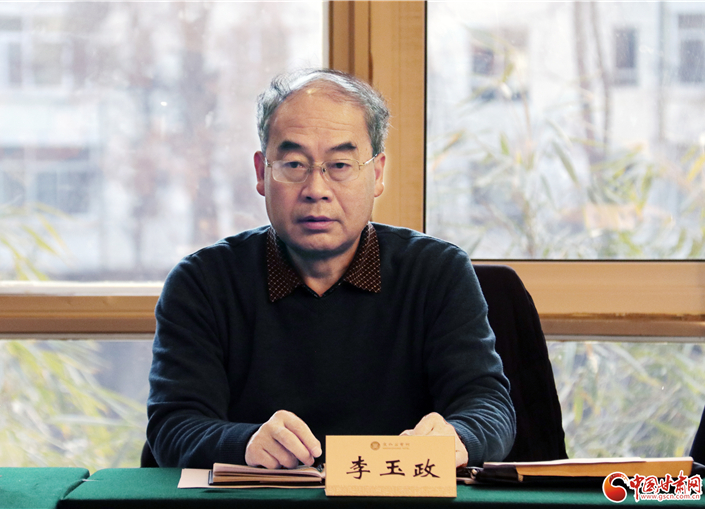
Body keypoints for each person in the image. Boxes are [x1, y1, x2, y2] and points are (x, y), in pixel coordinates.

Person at [147, 69, 516, 470]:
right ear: (261, 173)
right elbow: (174, 425)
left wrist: (458, 437)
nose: (316, 190)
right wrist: (245, 443)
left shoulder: (436, 273)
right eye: (293, 164)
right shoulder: (203, 283)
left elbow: (488, 406)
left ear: (377, 174)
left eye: (340, 164)